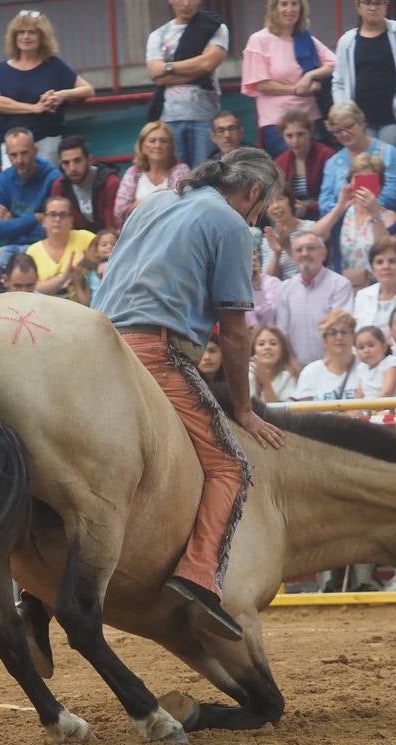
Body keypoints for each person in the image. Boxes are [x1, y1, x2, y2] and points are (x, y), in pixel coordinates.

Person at [93, 147, 286, 631]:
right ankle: (199, 578)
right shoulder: (231, 225)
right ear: (256, 192)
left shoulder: (156, 201)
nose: (257, 217)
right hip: (158, 352)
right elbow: (235, 331)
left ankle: (32, 590)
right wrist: (242, 408)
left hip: (98, 349)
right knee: (231, 466)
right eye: (261, 208)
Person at [0, 9, 93, 164]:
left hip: (48, 142)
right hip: (13, 146)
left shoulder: (54, 65)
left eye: (32, 32)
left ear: (42, 37)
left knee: (49, 187)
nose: (26, 36)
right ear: (14, 36)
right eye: (21, 32)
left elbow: (88, 90)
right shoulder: (2, 69)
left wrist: (61, 95)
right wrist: (34, 108)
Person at [241, 0, 336, 156]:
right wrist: (295, 89)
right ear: (274, 8)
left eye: (294, 4)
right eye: (284, 4)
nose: (290, 9)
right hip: (278, 122)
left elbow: (333, 63)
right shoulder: (259, 40)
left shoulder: (306, 39)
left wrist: (310, 75)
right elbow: (261, 84)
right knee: (289, 172)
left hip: (310, 118)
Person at [145, 0, 228, 168]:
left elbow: (208, 64)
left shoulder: (215, 27)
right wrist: (197, 69)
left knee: (205, 175)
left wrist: (167, 67)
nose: (185, 4)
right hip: (169, 117)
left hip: (205, 116)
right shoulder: (157, 35)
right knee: (175, 177)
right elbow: (155, 75)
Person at [331, 0, 396, 147]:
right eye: (367, 3)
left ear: (386, 5)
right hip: (359, 124)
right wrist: (344, 112)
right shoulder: (347, 41)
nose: (373, 7)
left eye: (378, 3)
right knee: (364, 168)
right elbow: (339, 83)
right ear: (358, 6)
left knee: (389, 166)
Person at [314, 151, 396, 288]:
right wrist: (340, 206)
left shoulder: (390, 217)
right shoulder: (341, 214)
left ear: (379, 185)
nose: (364, 186)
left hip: (377, 285)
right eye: (359, 180)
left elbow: (385, 249)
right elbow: (315, 235)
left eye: (369, 180)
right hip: (343, 285)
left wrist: (374, 213)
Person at [273, 231, 354, 366]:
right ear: (293, 257)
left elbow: (341, 326)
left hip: (334, 365)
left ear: (323, 254)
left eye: (311, 248)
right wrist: (293, 366)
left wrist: (325, 368)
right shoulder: (284, 289)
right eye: (299, 250)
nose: (304, 253)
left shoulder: (339, 284)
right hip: (296, 368)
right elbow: (282, 333)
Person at [317, 103, 396, 222]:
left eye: (349, 126)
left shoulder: (388, 153)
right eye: (338, 131)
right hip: (343, 225)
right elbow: (324, 205)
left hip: (382, 222)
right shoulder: (332, 163)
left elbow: (391, 197)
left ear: (362, 123)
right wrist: (346, 209)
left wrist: (360, 209)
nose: (344, 134)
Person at [0, 128, 60, 257]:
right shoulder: (0, 183)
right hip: (12, 249)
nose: (19, 160)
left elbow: (55, 226)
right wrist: (36, 218)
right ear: (7, 155)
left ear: (35, 151)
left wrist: (13, 221)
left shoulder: (53, 178)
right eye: (13, 155)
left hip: (46, 246)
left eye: (24, 153)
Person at [51, 135, 121, 233]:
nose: (72, 168)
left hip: (107, 244)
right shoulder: (60, 187)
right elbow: (58, 229)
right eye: (66, 163)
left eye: (77, 160)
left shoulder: (110, 183)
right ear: (61, 164)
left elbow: (112, 229)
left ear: (89, 160)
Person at [27, 195, 94, 299]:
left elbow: (107, 262)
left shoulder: (87, 238)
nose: (57, 219)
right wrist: (63, 277)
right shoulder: (33, 251)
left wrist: (89, 263)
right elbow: (33, 288)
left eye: (63, 215)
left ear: (71, 220)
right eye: (52, 214)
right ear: (44, 220)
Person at [272, 110, 335, 219]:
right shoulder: (279, 163)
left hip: (326, 214)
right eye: (289, 136)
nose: (295, 141)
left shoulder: (327, 156)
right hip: (294, 217)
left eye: (300, 134)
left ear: (310, 133)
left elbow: (335, 196)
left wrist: (308, 209)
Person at [293, 309, 361, 401]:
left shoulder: (366, 367)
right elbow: (303, 412)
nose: (339, 337)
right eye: (333, 333)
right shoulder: (310, 372)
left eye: (344, 332)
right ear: (324, 341)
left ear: (353, 337)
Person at [260, 189, 315, 280]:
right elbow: (268, 281)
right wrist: (277, 252)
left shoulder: (310, 228)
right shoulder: (269, 239)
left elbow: (313, 270)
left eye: (279, 199)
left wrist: (287, 246)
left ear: (291, 202)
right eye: (269, 203)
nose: (276, 206)